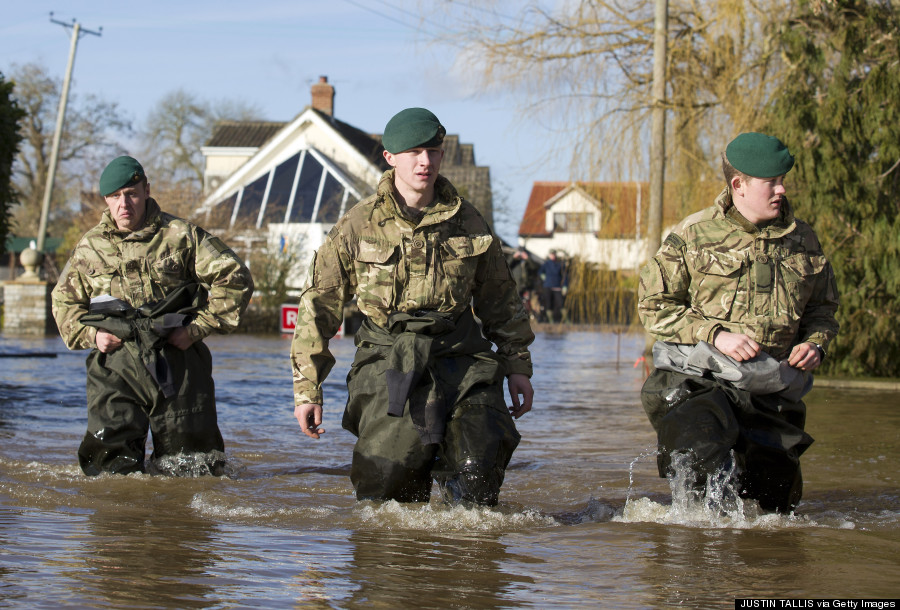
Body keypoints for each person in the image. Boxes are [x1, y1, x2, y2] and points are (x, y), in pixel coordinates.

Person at [290, 107, 535, 506]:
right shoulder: (357, 224)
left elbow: (501, 302)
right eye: (414, 152)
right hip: (387, 356)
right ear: (390, 157)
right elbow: (318, 308)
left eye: (434, 151)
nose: (425, 162)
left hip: (461, 356)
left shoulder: (469, 221)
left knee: (479, 466)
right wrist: (307, 391)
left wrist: (517, 368)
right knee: (389, 481)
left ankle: (465, 554)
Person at [637, 132, 839, 513]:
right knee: (699, 452)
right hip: (701, 378)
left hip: (771, 387)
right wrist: (715, 335)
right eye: (771, 182)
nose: (781, 190)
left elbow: (823, 309)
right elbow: (653, 305)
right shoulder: (693, 234)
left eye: (783, 180)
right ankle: (696, 554)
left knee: (776, 504)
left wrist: (815, 343)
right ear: (738, 185)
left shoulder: (804, 240)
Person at [51, 156, 254, 476]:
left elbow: (235, 279)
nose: (124, 204)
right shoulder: (90, 247)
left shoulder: (181, 236)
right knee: (108, 475)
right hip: (116, 363)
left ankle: (176, 526)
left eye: (131, 193)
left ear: (146, 190)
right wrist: (93, 336)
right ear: (105, 200)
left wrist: (198, 328)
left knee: (192, 471)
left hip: (176, 358)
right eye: (115, 196)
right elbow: (64, 301)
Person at [538, 249, 567, 323]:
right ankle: (551, 320)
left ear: (555, 255)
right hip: (547, 286)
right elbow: (540, 272)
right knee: (548, 303)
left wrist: (564, 286)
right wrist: (543, 277)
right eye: (551, 254)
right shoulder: (546, 264)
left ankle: (566, 319)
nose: (552, 256)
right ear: (549, 255)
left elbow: (564, 276)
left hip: (557, 286)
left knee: (560, 303)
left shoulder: (560, 264)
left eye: (553, 254)